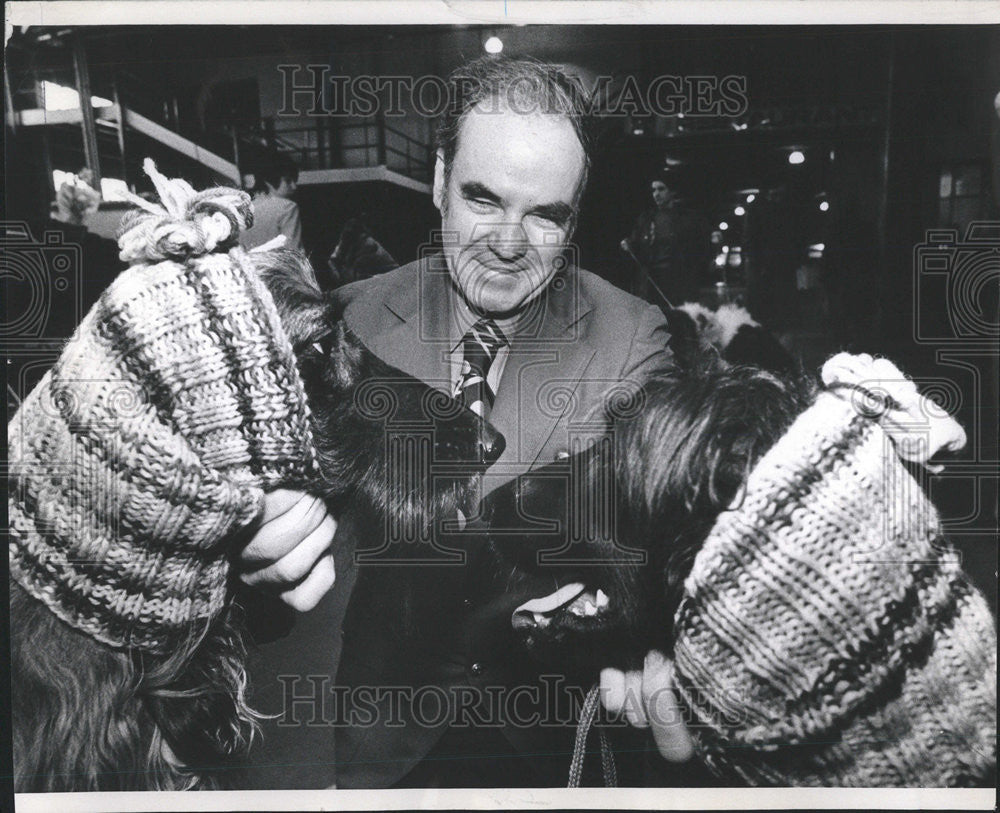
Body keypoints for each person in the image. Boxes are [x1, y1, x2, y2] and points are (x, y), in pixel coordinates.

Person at [236, 56, 696, 789]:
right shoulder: (349, 323)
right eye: (484, 199)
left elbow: (667, 527)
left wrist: (658, 638)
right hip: (382, 745)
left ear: (575, 215)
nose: (508, 244)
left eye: (544, 214)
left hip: (550, 744)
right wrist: (248, 555)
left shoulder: (632, 335)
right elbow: (264, 570)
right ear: (439, 179)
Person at [621, 175, 710, 308]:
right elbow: (637, 245)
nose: (656, 194)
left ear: (672, 191)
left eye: (661, 189)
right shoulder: (646, 218)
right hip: (654, 283)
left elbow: (701, 248)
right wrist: (628, 244)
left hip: (680, 282)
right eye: (653, 190)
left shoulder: (689, 218)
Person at [238, 154, 304, 253]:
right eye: (288, 181)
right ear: (270, 181)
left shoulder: (244, 209)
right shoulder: (288, 207)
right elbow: (293, 249)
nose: (294, 186)